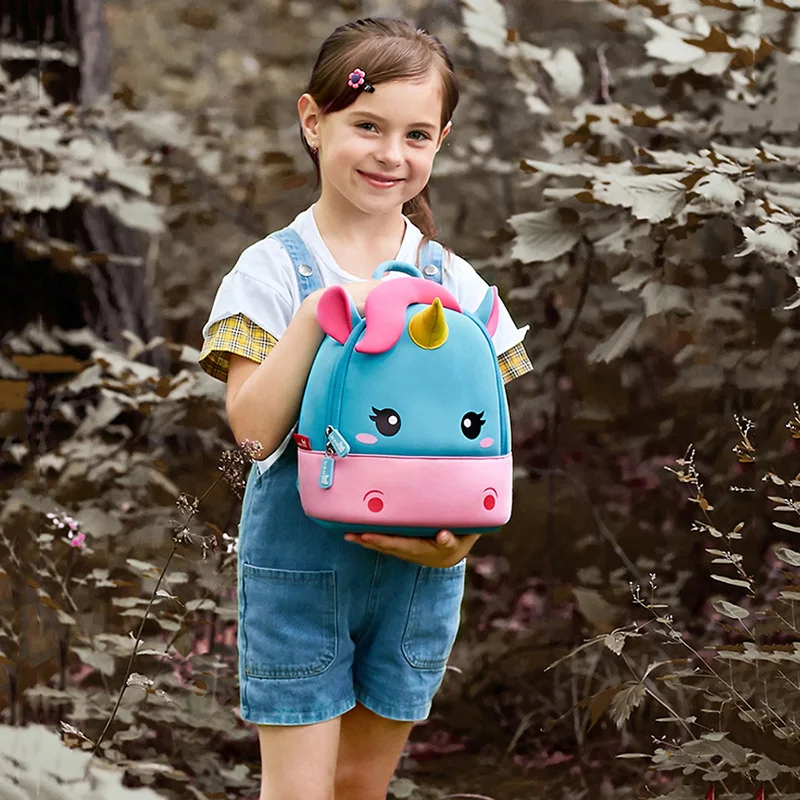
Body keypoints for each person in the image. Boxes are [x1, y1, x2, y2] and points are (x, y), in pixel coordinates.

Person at [198, 17, 532, 800]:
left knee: (358, 787)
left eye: (417, 134)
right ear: (314, 122)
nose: (392, 154)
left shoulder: (456, 282)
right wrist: (322, 315)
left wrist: (461, 546)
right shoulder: (272, 271)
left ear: (441, 140)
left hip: (421, 573)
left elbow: (477, 443)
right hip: (302, 562)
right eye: (367, 125)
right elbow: (251, 434)